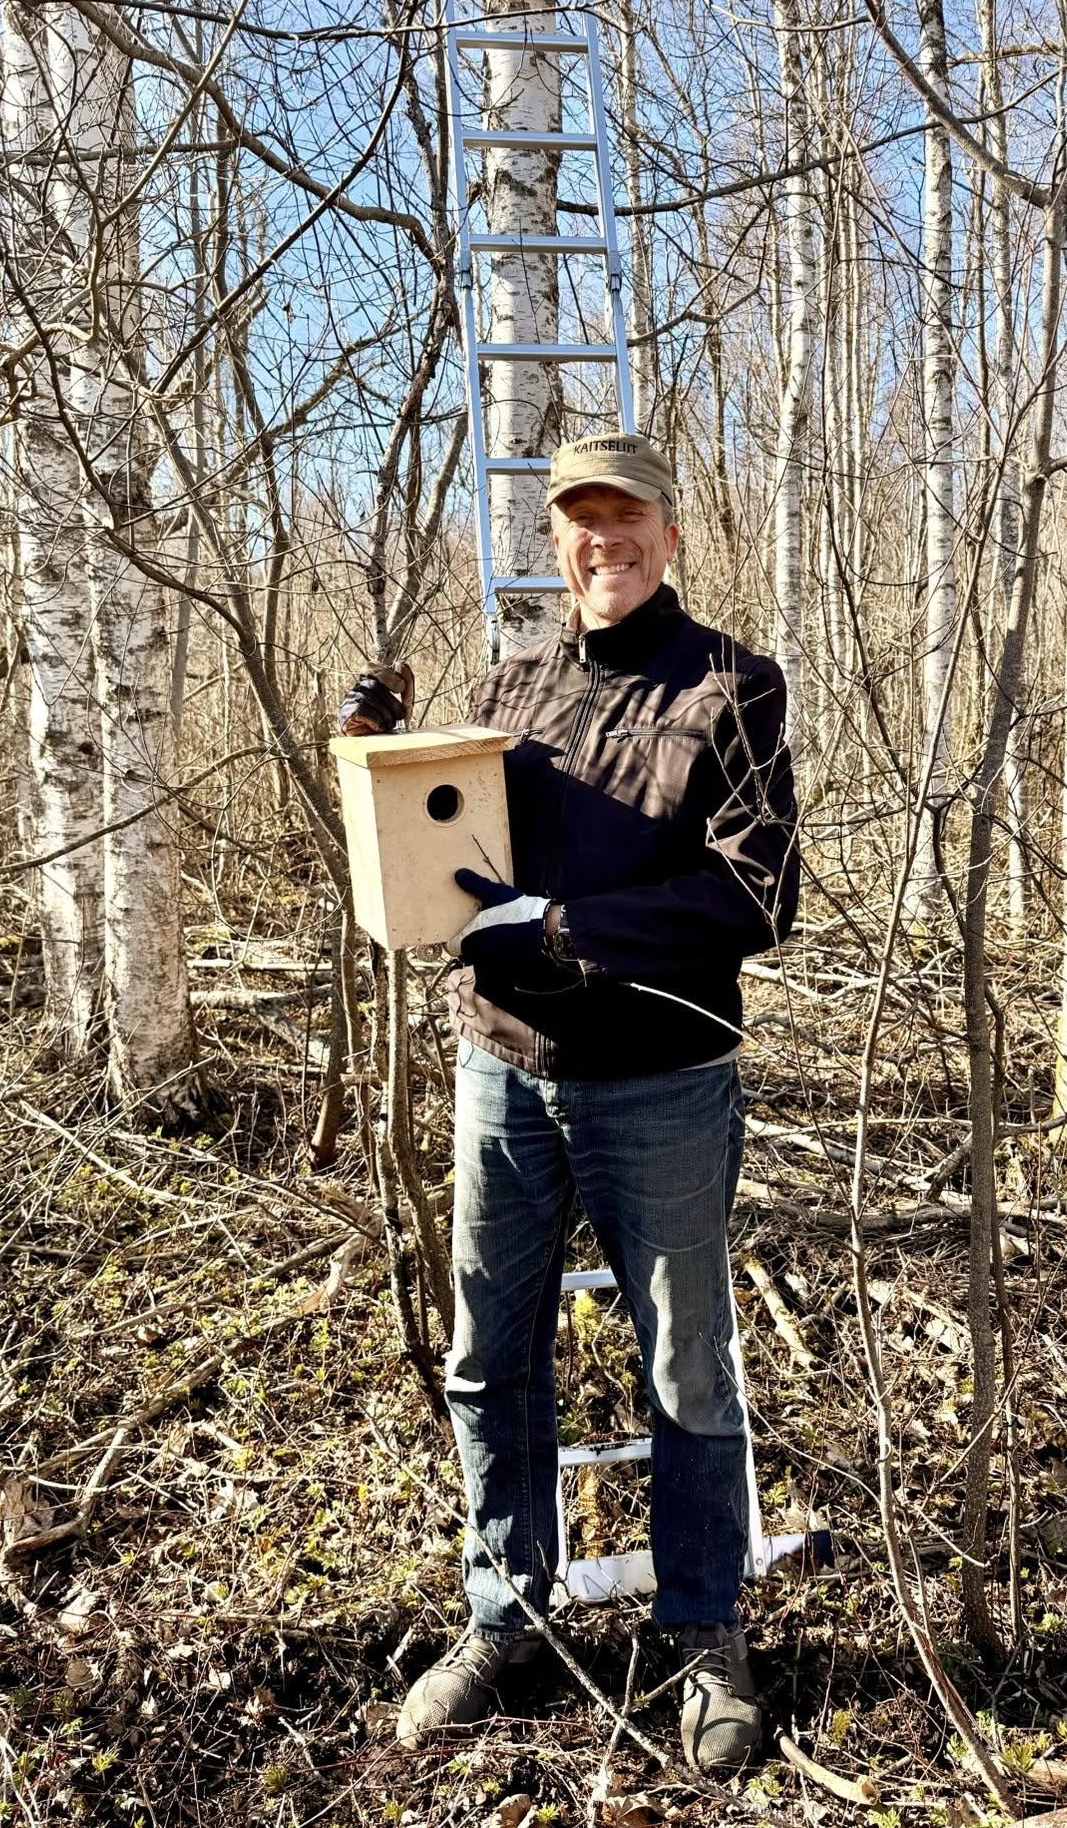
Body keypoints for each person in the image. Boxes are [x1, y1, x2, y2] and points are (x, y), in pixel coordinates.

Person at [340, 431, 798, 1772]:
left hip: (662, 1078)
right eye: (580, 520)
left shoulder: (730, 687)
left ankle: (703, 1630)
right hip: (507, 1070)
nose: (605, 540)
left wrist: (567, 925)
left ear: (670, 531)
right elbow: (448, 839)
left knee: (687, 1368)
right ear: (556, 542)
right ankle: (507, 1617)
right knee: (490, 1358)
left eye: (627, 516)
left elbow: (759, 890)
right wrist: (378, 757)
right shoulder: (513, 688)